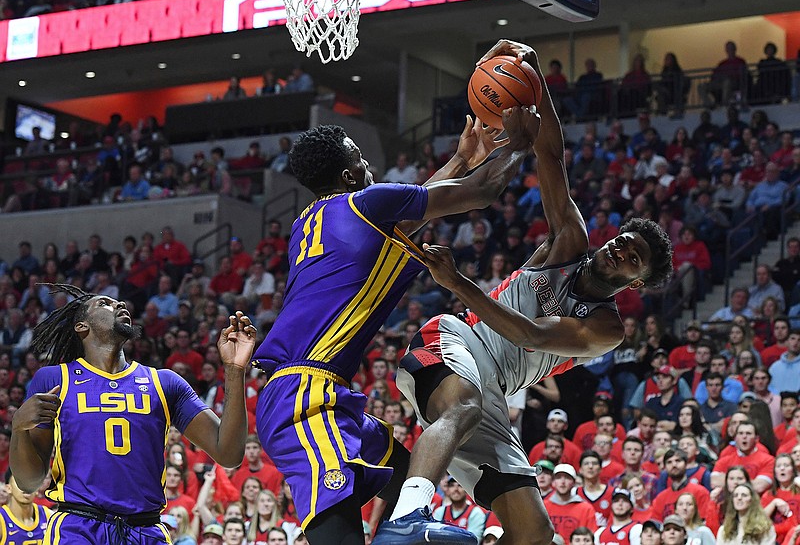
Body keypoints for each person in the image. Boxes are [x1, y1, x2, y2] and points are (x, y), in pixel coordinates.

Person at [375, 40, 673, 545]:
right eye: (622, 241)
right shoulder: (569, 242)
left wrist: (458, 282)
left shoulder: (606, 328)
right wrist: (535, 85)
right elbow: (551, 155)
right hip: (453, 342)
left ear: (636, 281)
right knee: (463, 406)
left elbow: (532, 335)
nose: (619, 251)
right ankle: (405, 519)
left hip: (493, 388)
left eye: (632, 258)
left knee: (534, 534)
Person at [252, 100, 542, 545]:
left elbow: (406, 219)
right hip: (303, 397)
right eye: (359, 158)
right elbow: (481, 192)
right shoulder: (366, 202)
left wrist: (462, 158)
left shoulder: (309, 222)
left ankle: (406, 523)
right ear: (349, 176)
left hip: (318, 392)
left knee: (410, 477)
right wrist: (521, 141)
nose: (367, 164)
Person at [10, 283, 258, 543]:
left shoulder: (164, 383)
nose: (119, 305)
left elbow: (229, 454)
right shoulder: (55, 380)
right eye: (104, 303)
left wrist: (234, 370)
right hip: (78, 528)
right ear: (82, 326)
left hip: (145, 529)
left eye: (119, 303)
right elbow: (28, 482)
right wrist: (19, 428)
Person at [0, 470, 52, 543]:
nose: (26, 487)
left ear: (37, 489)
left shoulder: (48, 516)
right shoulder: (2, 519)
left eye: (30, 482)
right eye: (20, 482)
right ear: (8, 488)